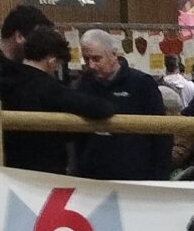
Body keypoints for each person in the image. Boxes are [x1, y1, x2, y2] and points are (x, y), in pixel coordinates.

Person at [0, 22, 118, 175]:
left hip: (7, 166)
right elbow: (99, 108)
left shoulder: (2, 79)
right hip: (43, 170)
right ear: (52, 62)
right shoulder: (47, 87)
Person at [72, 28, 170, 181]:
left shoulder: (141, 83)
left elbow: (162, 133)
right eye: (86, 59)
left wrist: (160, 177)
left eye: (97, 58)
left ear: (113, 54)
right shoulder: (82, 85)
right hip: (93, 176)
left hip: (135, 176)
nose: (91, 65)